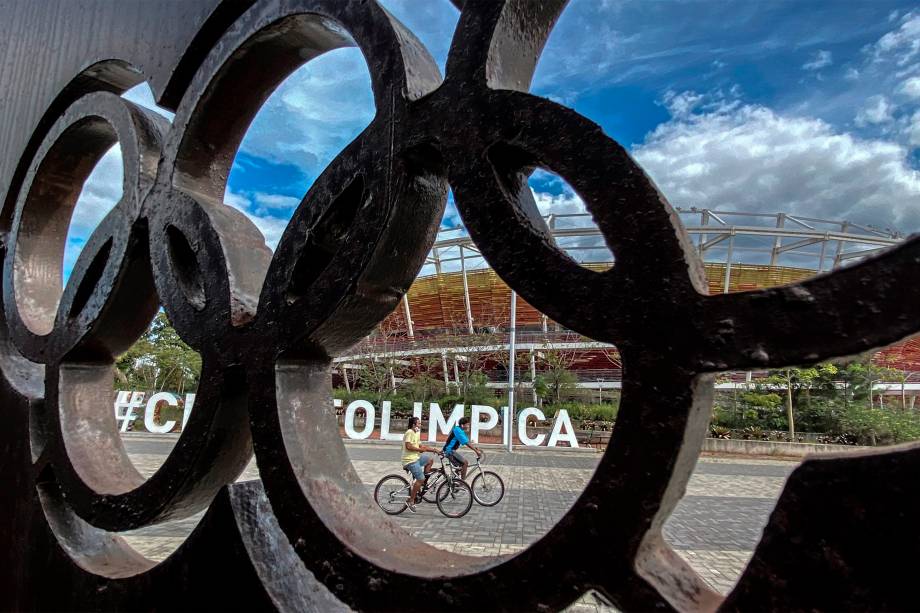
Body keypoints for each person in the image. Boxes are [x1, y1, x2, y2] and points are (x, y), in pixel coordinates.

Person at [402, 416, 439, 512]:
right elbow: (408, 446)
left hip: (416, 458)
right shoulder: (409, 432)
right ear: (413, 425)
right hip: (409, 460)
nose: (420, 425)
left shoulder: (416, 433)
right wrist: (420, 449)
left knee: (430, 460)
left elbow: (422, 446)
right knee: (420, 478)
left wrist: (434, 450)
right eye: (418, 423)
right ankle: (411, 501)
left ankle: (423, 483)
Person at [443, 416, 482, 481]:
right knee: (465, 463)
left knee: (460, 467)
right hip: (449, 451)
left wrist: (475, 448)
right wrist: (476, 451)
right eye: (467, 424)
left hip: (450, 451)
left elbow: (467, 441)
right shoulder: (458, 430)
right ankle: (462, 482)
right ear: (462, 425)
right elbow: (466, 443)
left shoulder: (460, 430)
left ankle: (454, 481)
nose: (468, 426)